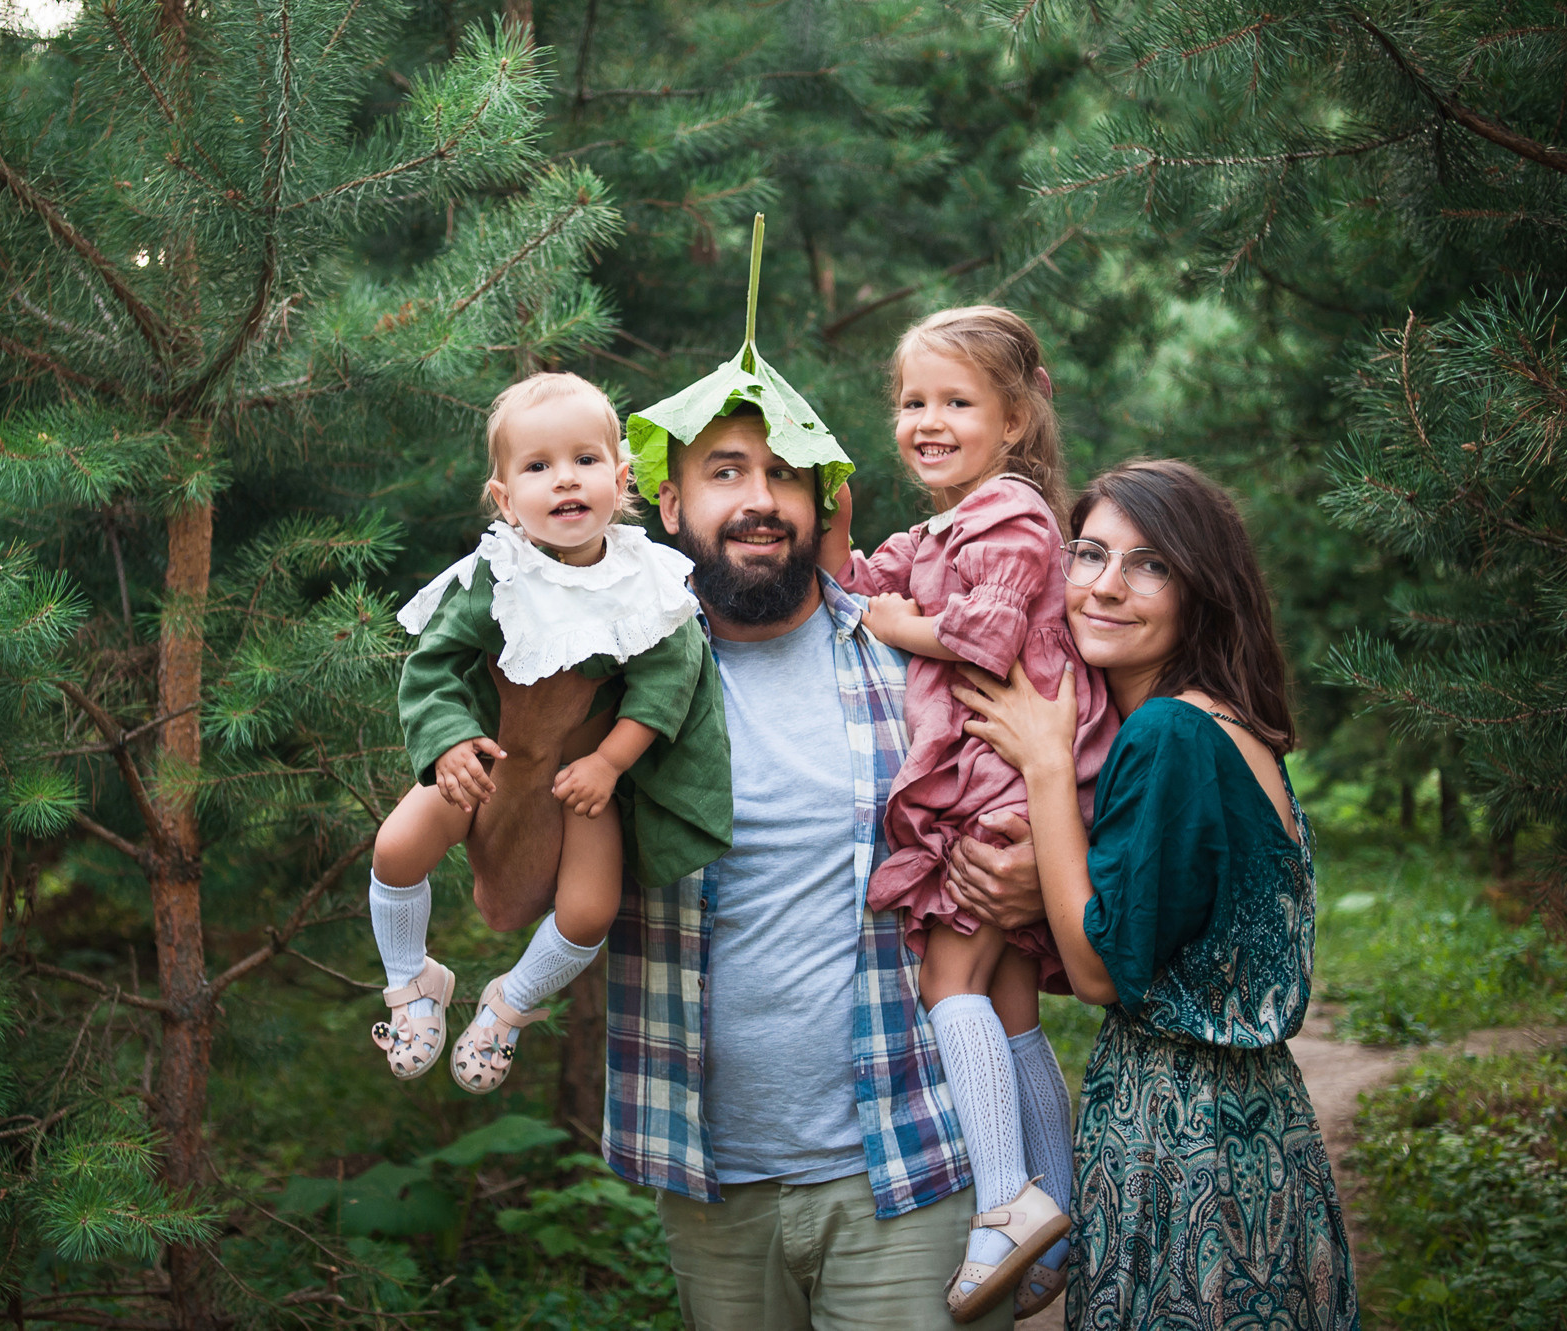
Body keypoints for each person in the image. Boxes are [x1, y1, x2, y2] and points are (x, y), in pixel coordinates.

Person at [462, 370, 1021, 1324]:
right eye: (726, 472)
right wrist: (534, 739)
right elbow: (508, 902)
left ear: (822, 502)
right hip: (710, 1182)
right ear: (672, 503)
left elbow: (1044, 797)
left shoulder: (908, 659)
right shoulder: (604, 680)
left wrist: (1029, 872)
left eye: (785, 473)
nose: (760, 498)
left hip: (913, 1164)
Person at [952, 458, 1361, 1330]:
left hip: (1185, 1149)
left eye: (1150, 564)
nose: (1104, 586)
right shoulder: (1227, 724)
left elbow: (1100, 970)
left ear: (1201, 591)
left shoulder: (1173, 730)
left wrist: (1048, 765)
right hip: (1256, 1136)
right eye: (1090, 553)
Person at [820, 307, 1117, 1321]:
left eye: (955, 401)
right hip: (990, 776)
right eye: (911, 401)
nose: (926, 419)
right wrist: (835, 518)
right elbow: (849, 588)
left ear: (1015, 419)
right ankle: (1058, 1204)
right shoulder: (943, 526)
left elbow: (983, 638)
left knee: (945, 975)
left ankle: (1002, 1200)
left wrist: (900, 620)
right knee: (1006, 1003)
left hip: (1005, 781)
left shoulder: (1016, 517)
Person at [367, 372, 731, 1095]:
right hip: (491, 754)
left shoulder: (646, 579)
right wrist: (449, 742)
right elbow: (435, 664)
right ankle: (411, 978)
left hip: (588, 766)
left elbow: (671, 676)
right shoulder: (494, 576)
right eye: (538, 467)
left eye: (586, 461)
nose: (565, 480)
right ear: (505, 497)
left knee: (590, 907)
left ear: (620, 477)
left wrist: (610, 759)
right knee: (396, 844)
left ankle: (510, 1002)